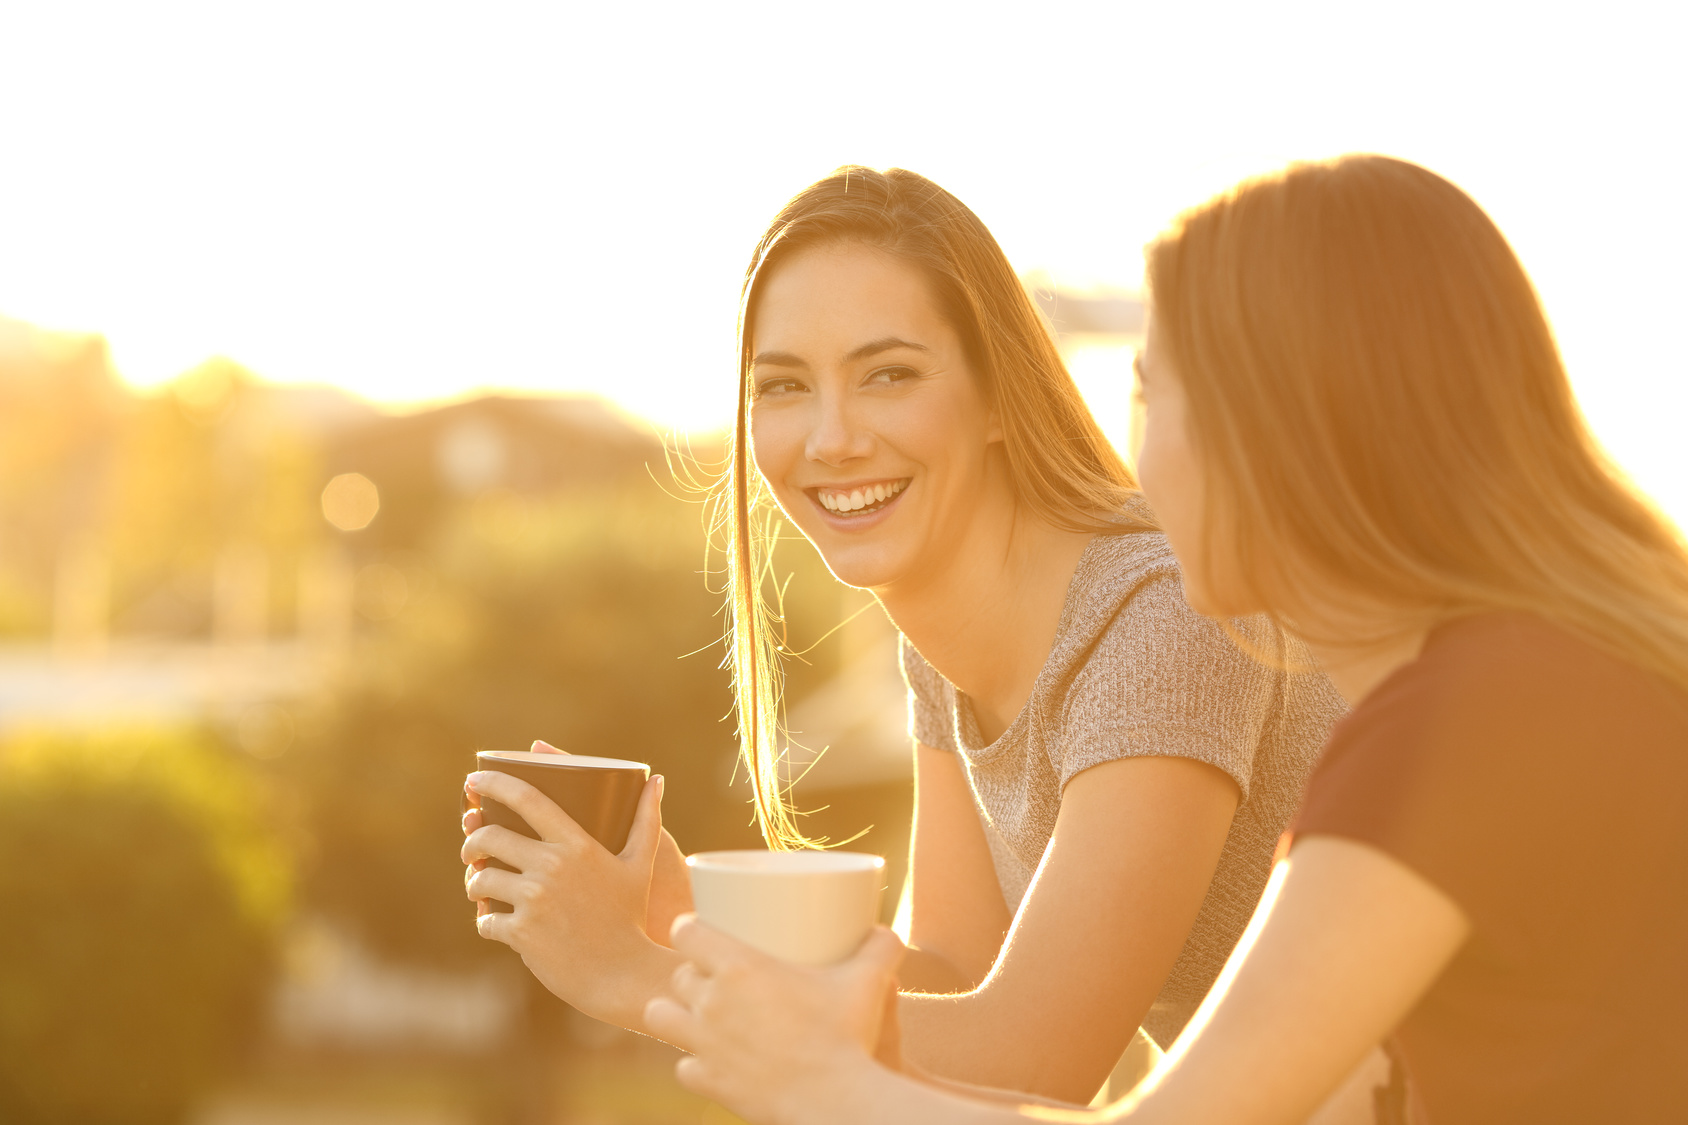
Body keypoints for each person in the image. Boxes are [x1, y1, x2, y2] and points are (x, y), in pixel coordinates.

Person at [642, 154, 1688, 1124]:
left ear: (1288, 427)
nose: (1131, 460)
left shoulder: (1455, 729)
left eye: (1152, 393)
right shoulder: (1521, 688)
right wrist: (684, 927)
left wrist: (802, 1064)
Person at [459, 166, 1344, 1102]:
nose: (831, 438)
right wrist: (681, 922)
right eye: (785, 385)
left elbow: (1038, 1058)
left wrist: (638, 976)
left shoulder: (1163, 620)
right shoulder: (940, 645)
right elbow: (961, 977)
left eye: (889, 374)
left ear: (1002, 392)